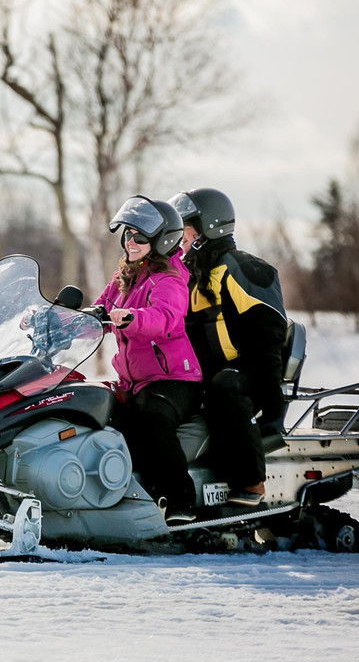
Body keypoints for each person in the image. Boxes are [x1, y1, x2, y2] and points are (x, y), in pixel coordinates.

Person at [88, 195, 204, 524]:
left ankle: (181, 501)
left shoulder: (170, 279)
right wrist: (57, 320)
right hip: (134, 381)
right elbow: (99, 308)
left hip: (175, 380)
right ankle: (131, 496)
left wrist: (132, 319)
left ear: (160, 240)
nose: (131, 241)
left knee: (152, 419)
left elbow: (165, 318)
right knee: (106, 418)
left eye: (139, 236)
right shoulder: (125, 276)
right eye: (127, 235)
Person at [169, 187, 287, 507]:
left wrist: (274, 404)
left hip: (248, 373)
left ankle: (251, 482)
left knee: (226, 385)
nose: (179, 236)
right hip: (207, 373)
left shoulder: (244, 269)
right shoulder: (192, 274)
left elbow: (268, 334)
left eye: (185, 228)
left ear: (209, 227)